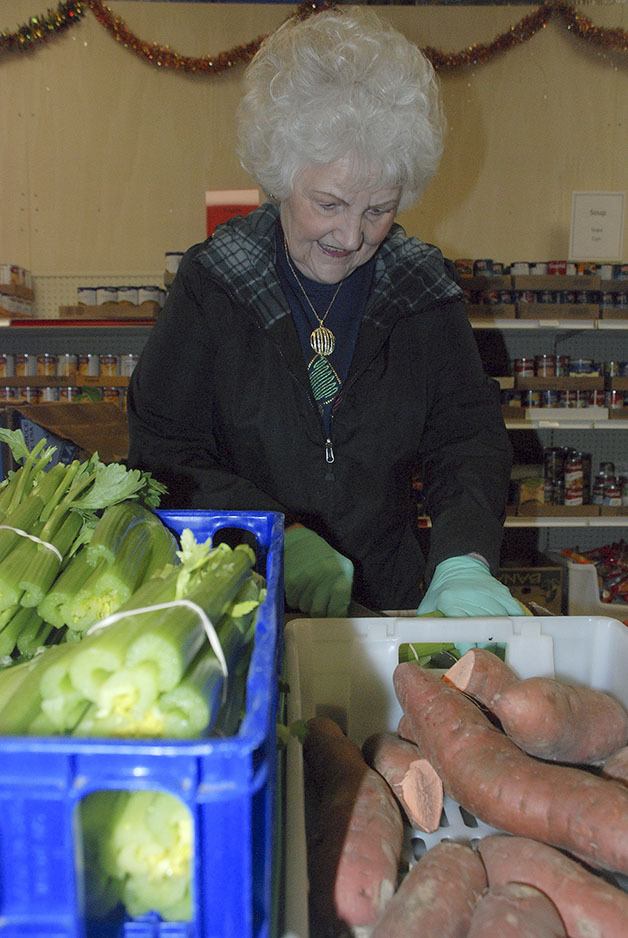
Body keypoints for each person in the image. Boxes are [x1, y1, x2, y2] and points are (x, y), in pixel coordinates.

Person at [127, 6, 523, 619]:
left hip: (390, 598)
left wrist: (462, 558)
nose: (351, 235)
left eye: (378, 209)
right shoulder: (215, 284)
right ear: (281, 177)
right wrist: (271, 535)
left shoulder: (424, 290)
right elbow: (166, 448)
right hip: (241, 593)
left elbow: (465, 437)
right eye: (329, 203)